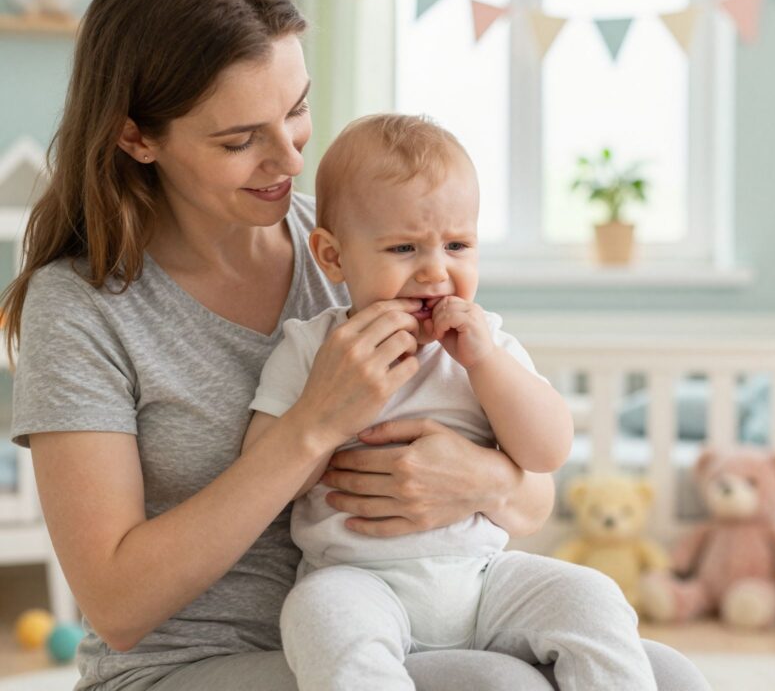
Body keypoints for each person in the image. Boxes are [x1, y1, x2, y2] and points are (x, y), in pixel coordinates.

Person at [3, 0, 709, 691]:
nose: (289, 158)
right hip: (186, 664)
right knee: (496, 685)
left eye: (297, 110)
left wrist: (480, 480)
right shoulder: (81, 307)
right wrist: (313, 424)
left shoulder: (372, 239)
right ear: (136, 136)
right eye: (241, 140)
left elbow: (531, 493)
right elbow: (115, 605)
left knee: (666, 673)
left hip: (413, 626)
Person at [242, 113, 656, 689]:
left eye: (457, 245)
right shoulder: (313, 348)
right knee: (318, 614)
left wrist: (485, 364)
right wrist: (328, 413)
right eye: (404, 247)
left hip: (485, 581)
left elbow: (548, 451)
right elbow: (264, 480)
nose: (435, 271)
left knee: (592, 596)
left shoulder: (488, 346)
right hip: (359, 580)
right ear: (333, 256)